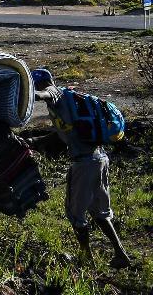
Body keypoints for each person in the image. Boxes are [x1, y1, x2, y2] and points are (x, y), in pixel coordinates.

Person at [32, 68, 133, 269]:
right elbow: (63, 134)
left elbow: (46, 93)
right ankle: (121, 254)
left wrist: (27, 93)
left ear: (40, 83)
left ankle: (86, 258)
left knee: (76, 214)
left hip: (84, 164)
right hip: (100, 159)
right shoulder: (70, 102)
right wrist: (35, 141)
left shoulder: (55, 93)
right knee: (100, 212)